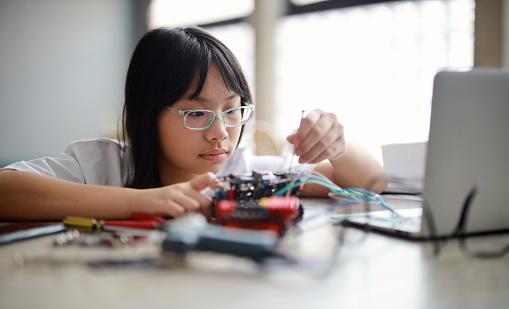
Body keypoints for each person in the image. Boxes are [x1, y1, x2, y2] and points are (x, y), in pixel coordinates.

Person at [0, 27, 387, 221]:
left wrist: (340, 147)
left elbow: (370, 183)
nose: (221, 132)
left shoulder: (241, 171)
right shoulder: (106, 165)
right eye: (197, 112)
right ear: (147, 113)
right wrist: (143, 201)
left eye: (233, 110)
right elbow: (6, 189)